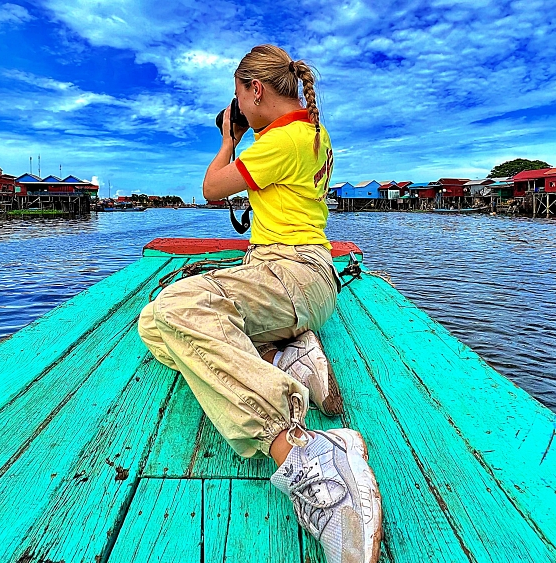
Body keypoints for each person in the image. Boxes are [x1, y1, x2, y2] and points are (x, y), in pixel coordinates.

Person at [137, 44, 382, 562]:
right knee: (153, 323)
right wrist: (247, 129)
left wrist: (229, 139)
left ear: (255, 89)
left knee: (178, 307)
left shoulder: (282, 140)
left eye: (239, 96)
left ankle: (303, 451)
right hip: (296, 278)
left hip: (290, 273)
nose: (239, 108)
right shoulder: (308, 132)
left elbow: (211, 188)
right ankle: (283, 358)